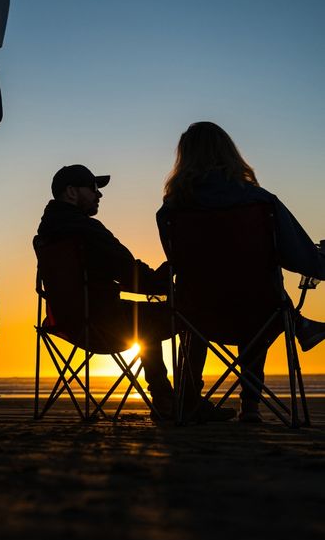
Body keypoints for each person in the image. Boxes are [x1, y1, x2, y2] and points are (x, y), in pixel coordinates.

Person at [33, 164, 235, 422]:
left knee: (146, 319)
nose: (99, 195)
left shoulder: (47, 235)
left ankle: (164, 399)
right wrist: (172, 269)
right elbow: (132, 274)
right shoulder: (86, 230)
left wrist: (151, 282)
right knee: (192, 317)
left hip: (69, 322)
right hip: (105, 323)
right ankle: (188, 401)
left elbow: (119, 277)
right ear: (71, 192)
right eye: (93, 188)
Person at [157, 121, 325, 423]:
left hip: (196, 313)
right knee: (258, 302)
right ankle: (250, 407)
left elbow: (179, 262)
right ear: (229, 153)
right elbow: (302, 259)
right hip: (258, 311)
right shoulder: (262, 202)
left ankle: (189, 403)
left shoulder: (171, 211)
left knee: (201, 303)